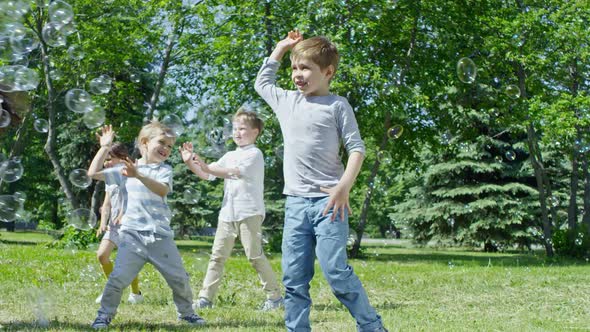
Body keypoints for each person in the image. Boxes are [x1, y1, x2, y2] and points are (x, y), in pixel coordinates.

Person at [254, 30, 388, 332]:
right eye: (294, 68)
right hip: (296, 205)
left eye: (305, 69)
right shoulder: (287, 101)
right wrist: (281, 48)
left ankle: (372, 326)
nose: (298, 75)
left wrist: (343, 188)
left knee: (336, 272)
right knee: (293, 277)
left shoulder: (337, 105)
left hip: (330, 204)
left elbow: (357, 149)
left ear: (328, 72)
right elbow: (261, 83)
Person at [87, 123, 205, 329]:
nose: (166, 149)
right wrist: (105, 147)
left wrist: (139, 175)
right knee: (117, 279)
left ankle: (186, 313)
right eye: (162, 142)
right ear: (144, 143)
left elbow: (161, 190)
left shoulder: (163, 170)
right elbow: (93, 173)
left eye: (169, 146)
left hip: (160, 237)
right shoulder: (126, 169)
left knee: (179, 279)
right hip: (132, 237)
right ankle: (104, 315)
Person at [179, 109, 283, 311]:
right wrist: (190, 163)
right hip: (227, 214)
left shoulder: (254, 154)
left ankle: (275, 297)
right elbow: (207, 175)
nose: (237, 132)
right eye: (235, 128)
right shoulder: (229, 154)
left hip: (249, 213)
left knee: (254, 256)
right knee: (217, 257)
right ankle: (205, 299)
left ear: (255, 132)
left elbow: (233, 173)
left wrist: (206, 166)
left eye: (242, 128)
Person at [94, 142, 143, 305]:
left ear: (122, 158)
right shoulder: (110, 177)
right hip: (114, 225)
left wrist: (124, 214)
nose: (106, 163)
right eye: (105, 159)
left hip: (131, 225)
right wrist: (103, 222)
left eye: (109, 159)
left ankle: (136, 293)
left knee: (127, 262)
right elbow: (107, 203)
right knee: (102, 256)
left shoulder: (131, 174)